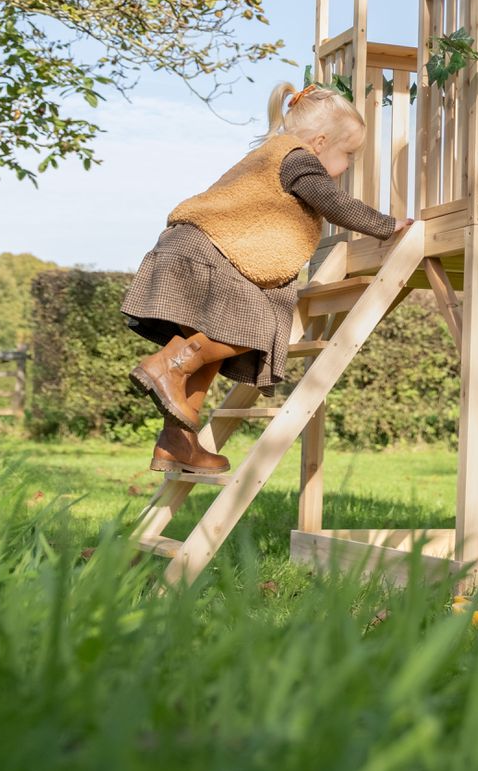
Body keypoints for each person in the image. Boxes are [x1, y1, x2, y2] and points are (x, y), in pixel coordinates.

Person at [122, 81, 410, 476]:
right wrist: (387, 224)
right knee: (255, 325)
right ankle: (167, 366)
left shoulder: (268, 158)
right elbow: (333, 203)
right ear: (321, 141)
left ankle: (177, 442)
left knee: (205, 354)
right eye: (348, 156)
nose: (346, 169)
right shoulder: (297, 160)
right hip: (211, 251)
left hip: (191, 247)